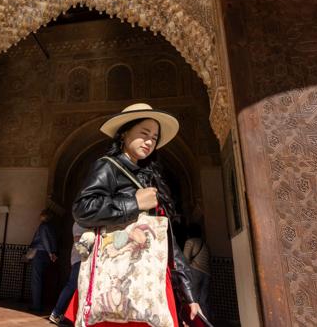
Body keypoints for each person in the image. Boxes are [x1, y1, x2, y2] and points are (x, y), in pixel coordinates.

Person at [70, 103, 201, 326]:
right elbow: (83, 208)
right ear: (124, 133)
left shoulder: (150, 176)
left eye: (154, 137)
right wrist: (134, 202)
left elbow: (166, 239)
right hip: (118, 282)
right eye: (144, 133)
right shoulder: (107, 167)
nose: (150, 141)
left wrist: (188, 294)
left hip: (153, 282)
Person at [49, 222, 87, 325]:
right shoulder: (79, 223)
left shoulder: (82, 222)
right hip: (80, 259)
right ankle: (56, 313)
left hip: (80, 259)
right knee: (72, 285)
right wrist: (85, 254)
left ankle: (60, 314)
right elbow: (77, 240)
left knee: (75, 286)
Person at [29, 209, 58, 313]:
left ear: (44, 216)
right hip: (47, 255)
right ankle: (42, 303)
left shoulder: (43, 226)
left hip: (40, 253)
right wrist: (52, 253)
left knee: (36, 280)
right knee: (44, 279)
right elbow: (53, 240)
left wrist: (49, 252)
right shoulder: (52, 226)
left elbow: (44, 239)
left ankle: (36, 305)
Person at [183, 224, 211, 320]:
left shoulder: (190, 242)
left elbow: (185, 260)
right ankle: (207, 323)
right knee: (203, 301)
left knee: (193, 301)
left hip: (195, 272)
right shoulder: (205, 244)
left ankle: (197, 323)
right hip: (207, 274)